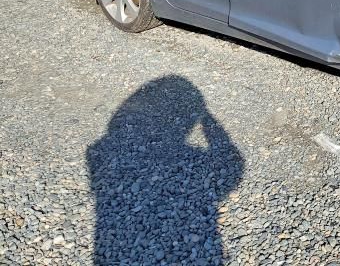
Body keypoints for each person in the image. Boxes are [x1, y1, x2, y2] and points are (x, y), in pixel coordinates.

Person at [87, 75, 243, 265]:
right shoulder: (99, 149)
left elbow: (233, 172)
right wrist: (207, 120)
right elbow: (232, 170)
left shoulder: (100, 149)